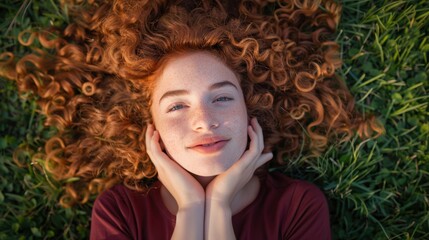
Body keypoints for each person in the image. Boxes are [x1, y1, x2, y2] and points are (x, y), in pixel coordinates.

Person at [0, 0, 383, 239]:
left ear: (251, 109)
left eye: (221, 97)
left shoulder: (298, 207)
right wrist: (191, 208)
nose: (204, 121)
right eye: (176, 106)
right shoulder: (119, 212)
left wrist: (217, 206)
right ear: (147, 126)